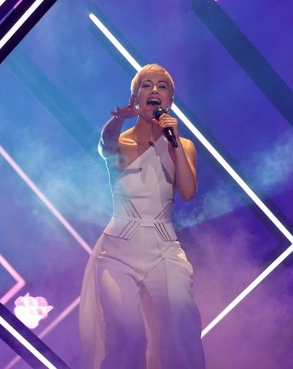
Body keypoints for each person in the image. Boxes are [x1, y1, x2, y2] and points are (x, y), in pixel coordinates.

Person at [79, 64, 205, 368]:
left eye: (162, 86)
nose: (154, 90)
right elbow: (106, 144)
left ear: (170, 100)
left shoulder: (183, 145)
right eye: (146, 85)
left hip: (164, 248)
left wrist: (174, 141)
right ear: (135, 98)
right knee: (128, 335)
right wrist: (118, 119)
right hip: (118, 251)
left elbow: (188, 192)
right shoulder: (120, 142)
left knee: (182, 322)